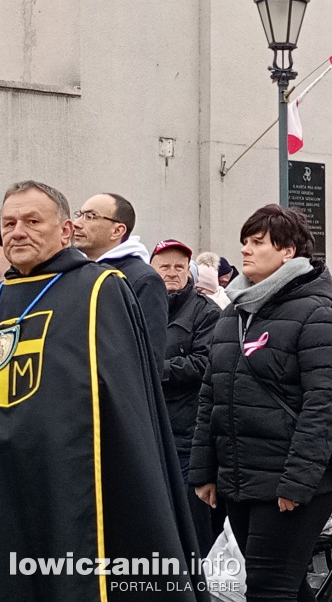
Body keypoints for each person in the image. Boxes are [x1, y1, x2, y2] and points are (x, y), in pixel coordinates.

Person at [1, 181, 206, 600]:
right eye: (8, 223)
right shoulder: (3, 296)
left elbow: (125, 399)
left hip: (76, 472)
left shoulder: (100, 288)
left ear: (64, 231)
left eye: (31, 221)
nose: (17, 231)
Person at [191, 204, 332, 602]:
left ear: (289, 251)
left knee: (267, 589)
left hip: (292, 479)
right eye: (245, 241)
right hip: (241, 475)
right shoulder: (236, 313)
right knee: (284, 587)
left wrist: (297, 482)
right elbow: (212, 394)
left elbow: (324, 406)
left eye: (258, 242)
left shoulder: (316, 313)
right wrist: (204, 470)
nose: (245, 250)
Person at [150, 238, 221, 555]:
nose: (172, 272)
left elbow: (206, 363)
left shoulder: (205, 311)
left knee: (191, 515)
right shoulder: (141, 306)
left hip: (188, 429)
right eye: (164, 266)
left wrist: (156, 369)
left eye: (179, 266)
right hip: (150, 424)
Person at [71, 191, 168, 360]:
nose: (76, 224)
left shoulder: (143, 279)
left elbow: (147, 357)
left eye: (90, 216)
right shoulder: (75, 272)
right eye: (79, 215)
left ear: (118, 230)